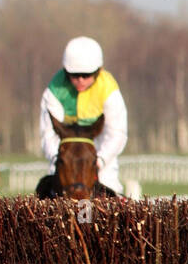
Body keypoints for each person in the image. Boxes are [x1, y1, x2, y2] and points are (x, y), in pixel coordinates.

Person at [39, 36, 128, 194]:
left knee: (110, 190)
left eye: (86, 75)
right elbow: (48, 134)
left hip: (99, 154)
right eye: (74, 75)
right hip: (66, 157)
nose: (80, 80)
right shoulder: (54, 90)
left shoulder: (109, 90)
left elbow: (116, 134)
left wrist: (98, 161)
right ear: (66, 72)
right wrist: (58, 160)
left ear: (98, 71)